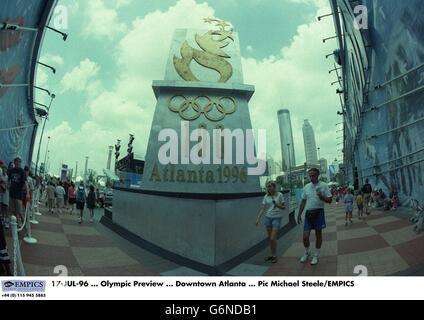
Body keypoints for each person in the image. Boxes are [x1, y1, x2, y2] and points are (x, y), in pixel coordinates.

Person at [297, 168, 332, 266]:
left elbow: (330, 200)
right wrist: (299, 214)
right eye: (310, 176)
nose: (311, 177)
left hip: (319, 212)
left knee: (318, 234)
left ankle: (316, 255)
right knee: (305, 236)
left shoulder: (324, 185)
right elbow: (303, 201)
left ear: (318, 175)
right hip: (308, 213)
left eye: (313, 175)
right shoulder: (306, 187)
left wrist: (321, 197)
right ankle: (307, 252)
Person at [255, 181, 286, 263]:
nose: (269, 188)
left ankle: (274, 255)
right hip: (268, 218)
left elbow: (284, 207)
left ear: (274, 187)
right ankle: (272, 255)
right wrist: (258, 218)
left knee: (273, 238)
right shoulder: (266, 196)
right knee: (271, 239)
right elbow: (263, 208)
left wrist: (277, 205)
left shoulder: (279, 195)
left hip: (277, 218)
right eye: (267, 187)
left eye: (270, 186)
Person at [8, 157, 26, 226]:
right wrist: (8, 185)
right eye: (17, 162)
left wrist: (24, 191)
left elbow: (25, 182)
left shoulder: (22, 171)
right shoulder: (11, 171)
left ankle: (24, 224)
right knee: (12, 210)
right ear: (14, 162)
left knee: (20, 212)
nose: (18, 163)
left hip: (18, 194)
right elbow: (9, 180)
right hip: (12, 193)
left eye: (19, 162)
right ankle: (15, 223)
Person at [0, 161, 10, 229]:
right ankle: (3, 219)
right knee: (2, 206)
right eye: (3, 168)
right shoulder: (1, 176)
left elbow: (9, 185)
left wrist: (5, 186)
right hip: (1, 193)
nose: (4, 170)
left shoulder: (7, 177)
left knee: (6, 207)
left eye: (5, 169)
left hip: (6, 193)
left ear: (6, 170)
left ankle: (7, 221)